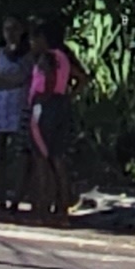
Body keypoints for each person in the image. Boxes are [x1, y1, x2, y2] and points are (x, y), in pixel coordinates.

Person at [27, 26, 80, 218]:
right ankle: (62, 208)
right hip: (61, 106)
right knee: (58, 158)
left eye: (34, 40)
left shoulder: (46, 58)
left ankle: (42, 208)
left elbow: (47, 80)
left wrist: (43, 98)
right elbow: (81, 79)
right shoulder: (63, 58)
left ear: (42, 39)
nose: (31, 45)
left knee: (41, 158)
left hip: (44, 109)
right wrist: (67, 96)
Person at [0, 20, 34, 213]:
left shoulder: (29, 56)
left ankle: (17, 197)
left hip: (20, 109)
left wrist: (2, 81)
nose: (11, 33)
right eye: (7, 29)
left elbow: (25, 78)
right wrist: (9, 82)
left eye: (15, 29)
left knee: (22, 155)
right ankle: (1, 198)